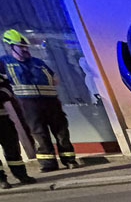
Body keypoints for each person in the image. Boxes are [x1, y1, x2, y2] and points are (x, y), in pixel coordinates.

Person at [0, 29, 78, 171]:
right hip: (28, 104)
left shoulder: (37, 62)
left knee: (61, 131)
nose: (25, 49)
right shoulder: (4, 63)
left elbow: (54, 79)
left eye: (25, 46)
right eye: (21, 46)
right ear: (11, 46)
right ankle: (48, 164)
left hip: (50, 101)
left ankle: (69, 160)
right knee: (39, 133)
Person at [0, 73, 36, 189]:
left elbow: (7, 91)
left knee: (12, 149)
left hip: (3, 119)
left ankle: (21, 175)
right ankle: (1, 180)